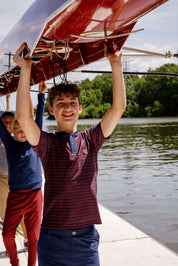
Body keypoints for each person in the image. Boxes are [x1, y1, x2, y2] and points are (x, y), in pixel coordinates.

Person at [14, 42, 126, 266]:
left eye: (72, 103)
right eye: (61, 103)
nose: (67, 107)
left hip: (86, 240)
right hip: (53, 239)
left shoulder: (92, 139)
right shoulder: (46, 144)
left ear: (80, 109)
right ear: (51, 110)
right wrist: (25, 70)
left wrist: (115, 63)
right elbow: (24, 118)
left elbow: (118, 108)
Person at [1, 81, 47, 266]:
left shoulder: (35, 141)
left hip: (35, 195)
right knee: (7, 235)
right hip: (15, 196)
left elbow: (39, 118)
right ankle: (15, 263)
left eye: (25, 130)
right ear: (12, 130)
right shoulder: (10, 143)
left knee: (34, 237)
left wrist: (42, 96)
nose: (22, 133)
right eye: (18, 130)